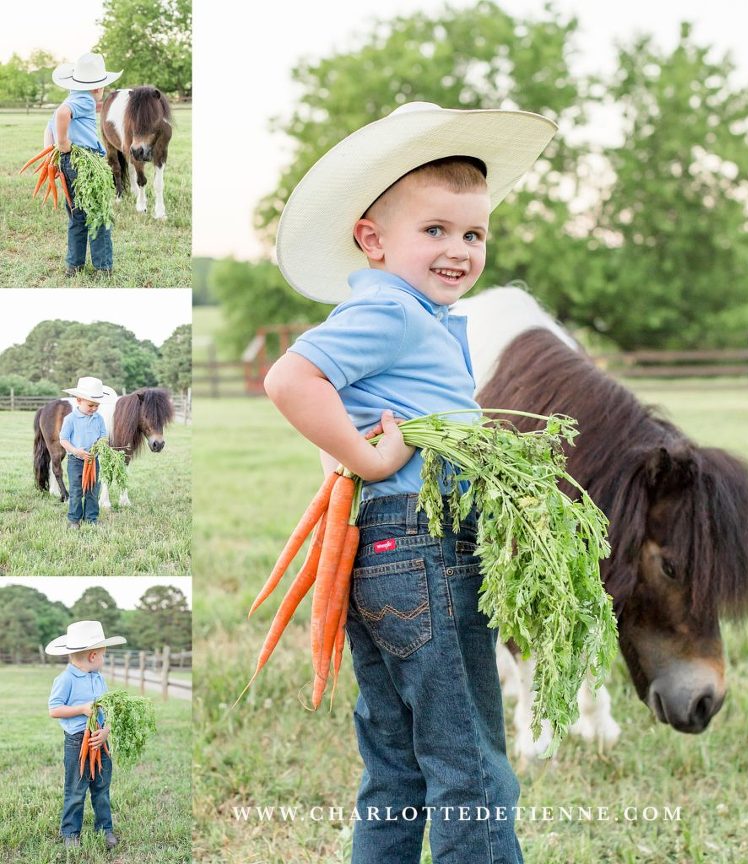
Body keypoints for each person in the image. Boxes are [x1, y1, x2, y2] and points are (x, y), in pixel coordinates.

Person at [264, 102, 557, 863]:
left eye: (473, 233)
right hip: (422, 547)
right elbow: (290, 377)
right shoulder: (392, 314)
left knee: (397, 766)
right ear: (373, 239)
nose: (458, 249)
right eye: (434, 231)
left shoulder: (419, 314)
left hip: (385, 551)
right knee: (471, 768)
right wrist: (364, 462)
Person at [47, 620, 127, 849]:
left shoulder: (99, 677)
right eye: (103, 655)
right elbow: (54, 709)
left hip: (100, 741)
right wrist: (82, 709)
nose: (104, 659)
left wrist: (106, 732)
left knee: (102, 787)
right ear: (93, 656)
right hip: (77, 742)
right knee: (76, 788)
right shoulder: (66, 679)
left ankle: (105, 828)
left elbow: (108, 710)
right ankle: (70, 832)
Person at [47, 52, 122, 277]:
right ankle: (103, 267)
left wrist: (55, 154)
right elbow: (62, 115)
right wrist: (63, 144)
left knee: (77, 214)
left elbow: (49, 124)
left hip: (70, 162)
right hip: (85, 162)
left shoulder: (70, 98)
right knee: (98, 213)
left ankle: (74, 265)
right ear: (97, 88)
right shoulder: (85, 100)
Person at [60, 376, 109, 528]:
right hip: (76, 461)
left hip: (93, 460)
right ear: (79, 400)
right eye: (90, 405)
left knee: (93, 491)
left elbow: (103, 436)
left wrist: (100, 445)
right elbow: (63, 439)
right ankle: (74, 519)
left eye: (96, 405)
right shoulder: (70, 419)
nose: (94, 409)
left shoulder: (98, 418)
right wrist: (76, 451)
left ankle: (91, 518)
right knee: (76, 491)